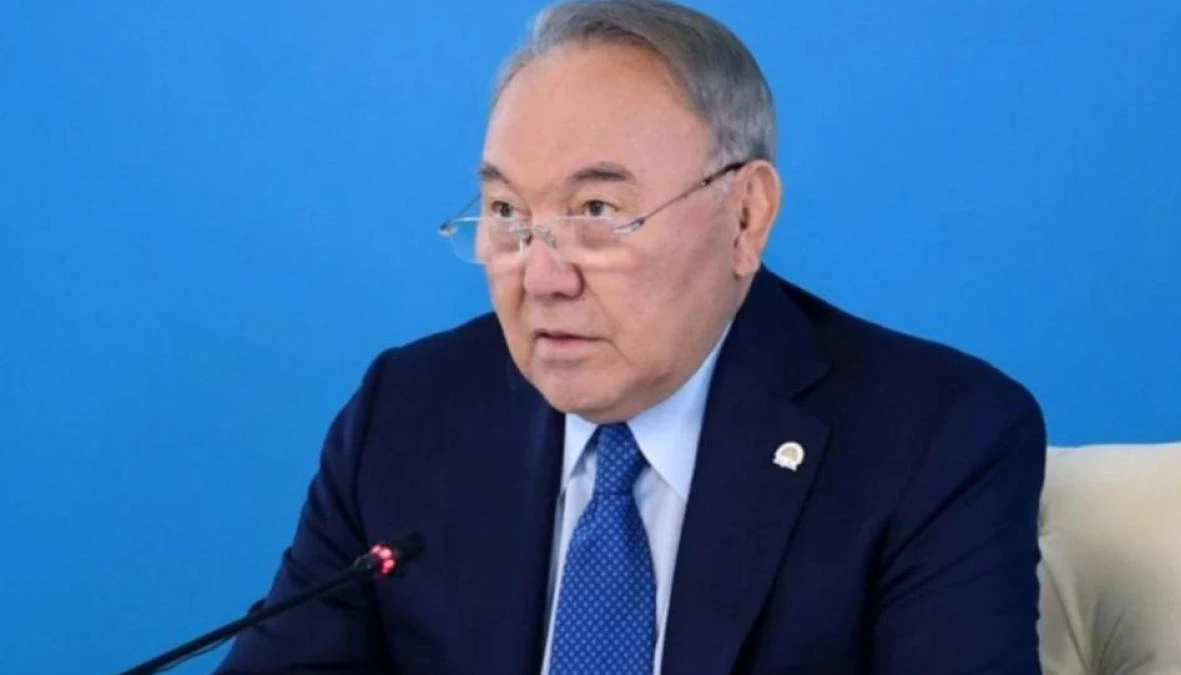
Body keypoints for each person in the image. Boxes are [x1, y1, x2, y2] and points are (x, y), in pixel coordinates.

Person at [217, 1, 1046, 673]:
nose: (542, 276)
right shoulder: (406, 415)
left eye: (596, 211)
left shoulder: (936, 438)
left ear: (746, 216)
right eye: (506, 212)